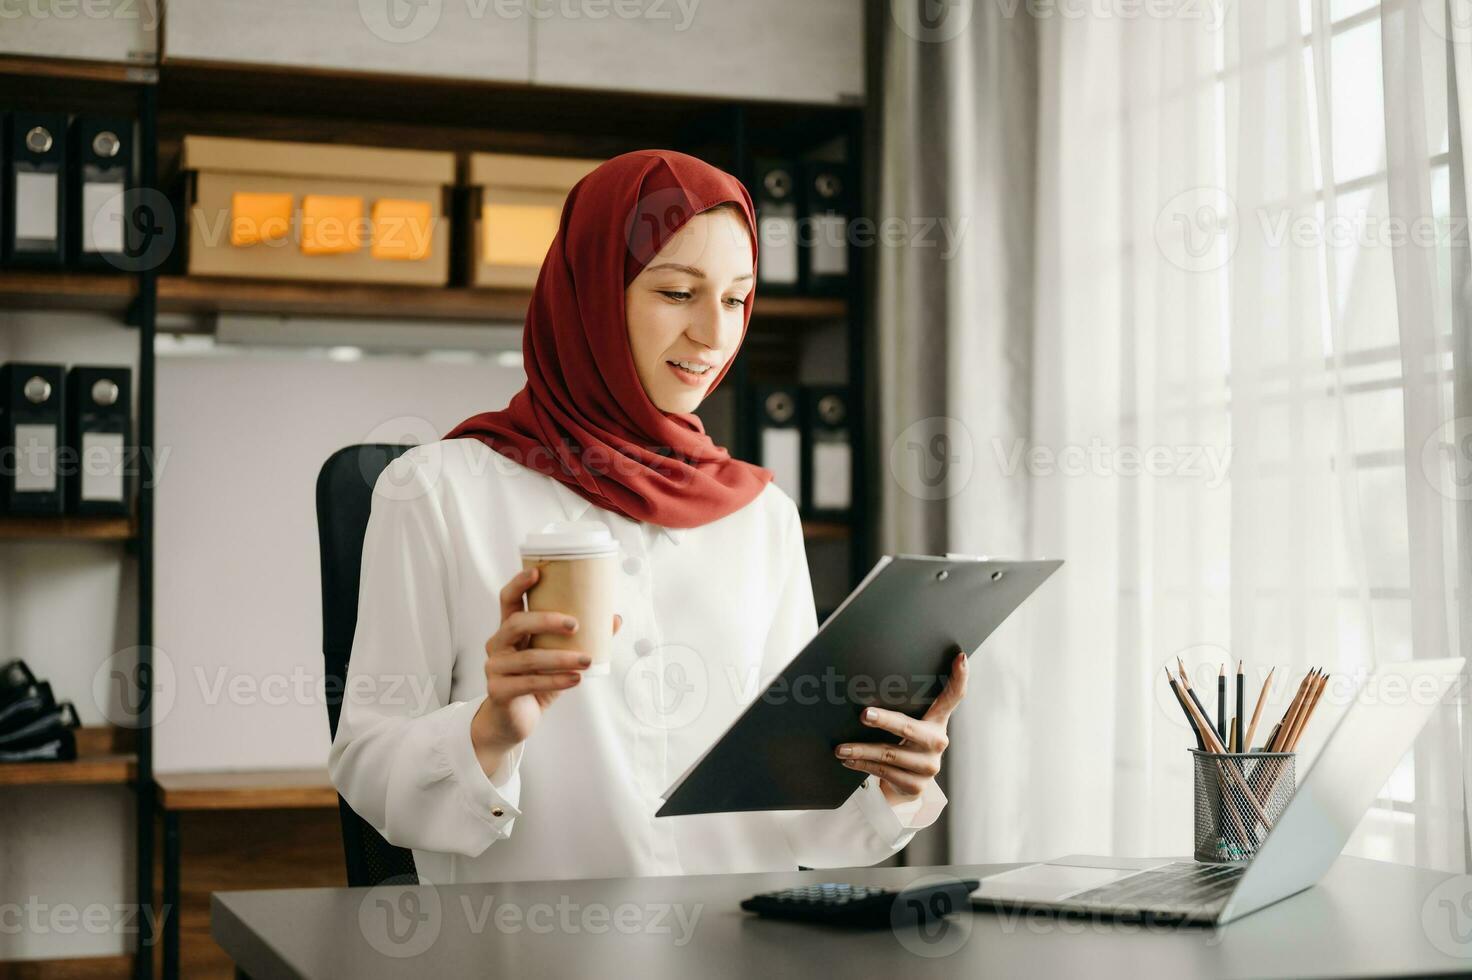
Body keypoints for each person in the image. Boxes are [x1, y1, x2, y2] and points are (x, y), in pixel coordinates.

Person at [329, 149, 962, 884]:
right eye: (676, 292)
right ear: (593, 292)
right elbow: (366, 761)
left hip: (741, 949)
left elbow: (795, 814)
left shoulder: (761, 516)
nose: (714, 336)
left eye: (734, 300)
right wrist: (488, 730)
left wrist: (891, 781)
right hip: (527, 953)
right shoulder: (438, 491)